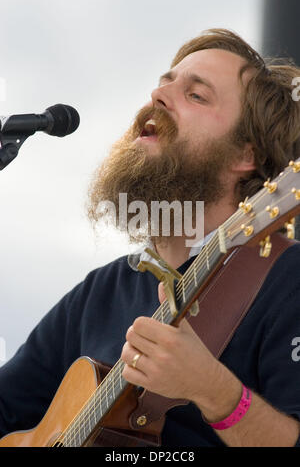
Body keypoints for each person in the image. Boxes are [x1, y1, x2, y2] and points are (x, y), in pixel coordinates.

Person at [1, 28, 300, 447]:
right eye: (164, 83)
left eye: (196, 95)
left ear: (245, 155)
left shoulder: (287, 278)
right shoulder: (102, 291)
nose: (157, 96)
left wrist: (217, 393)